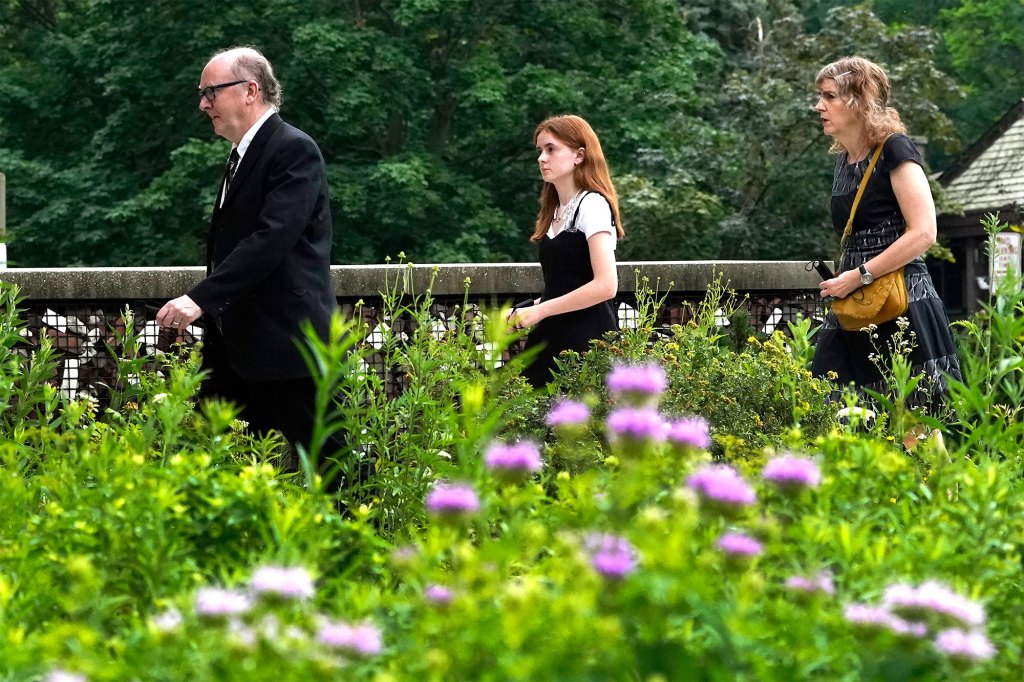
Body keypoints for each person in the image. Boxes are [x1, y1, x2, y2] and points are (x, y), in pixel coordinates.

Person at [157, 46, 338, 463]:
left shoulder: (294, 148)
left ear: (250, 90)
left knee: (332, 469)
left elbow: (271, 239)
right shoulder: (241, 155)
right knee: (209, 461)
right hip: (236, 346)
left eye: (211, 92)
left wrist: (199, 298)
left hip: (287, 344)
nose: (203, 104)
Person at [810, 56, 961, 414]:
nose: (819, 106)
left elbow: (924, 232)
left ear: (859, 101)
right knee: (827, 403)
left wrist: (860, 275)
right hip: (854, 302)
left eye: (829, 96)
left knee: (916, 421)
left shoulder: (894, 148)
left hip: (901, 298)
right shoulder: (844, 161)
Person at [510, 115, 623, 388]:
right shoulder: (554, 212)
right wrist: (525, 311)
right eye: (540, 151)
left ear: (579, 155)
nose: (541, 158)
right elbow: (565, 285)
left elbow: (606, 286)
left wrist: (541, 311)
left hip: (588, 341)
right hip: (554, 336)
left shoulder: (593, 204)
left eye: (551, 149)